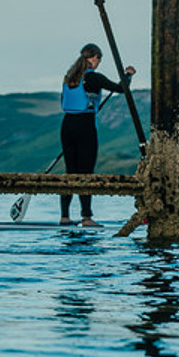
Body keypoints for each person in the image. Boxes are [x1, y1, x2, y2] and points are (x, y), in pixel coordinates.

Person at [59, 42, 135, 226]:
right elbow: (120, 89)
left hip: (67, 125)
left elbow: (64, 100)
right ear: (94, 58)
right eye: (98, 58)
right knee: (86, 172)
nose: (99, 62)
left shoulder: (69, 78)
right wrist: (128, 75)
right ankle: (86, 217)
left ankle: (64, 216)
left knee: (70, 172)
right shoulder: (93, 77)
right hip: (85, 126)